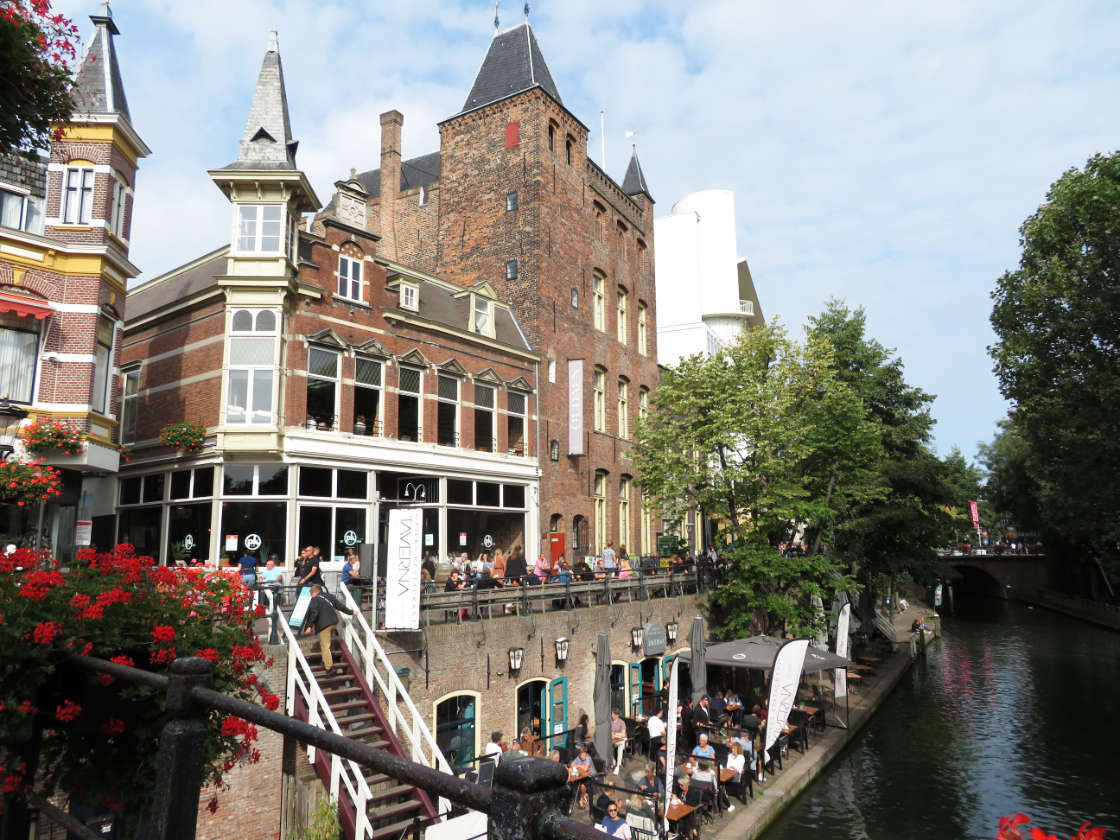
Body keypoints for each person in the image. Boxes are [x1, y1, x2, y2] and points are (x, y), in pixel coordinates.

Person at [300, 584, 353, 675]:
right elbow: (340, 606)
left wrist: (309, 626)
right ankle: (324, 660)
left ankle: (329, 668)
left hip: (324, 625)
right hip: (334, 622)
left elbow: (314, 613)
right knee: (324, 643)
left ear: (314, 592)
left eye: (311, 594)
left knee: (325, 646)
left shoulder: (315, 599)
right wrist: (351, 612)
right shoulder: (329, 596)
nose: (311, 596)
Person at [610, 707, 627, 775]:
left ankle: (618, 766)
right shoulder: (610, 722)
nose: (612, 716)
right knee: (607, 745)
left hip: (623, 740)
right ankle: (613, 760)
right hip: (614, 740)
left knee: (621, 745)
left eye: (613, 715)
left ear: (617, 715)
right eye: (612, 714)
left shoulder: (621, 722)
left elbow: (623, 734)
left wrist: (615, 734)